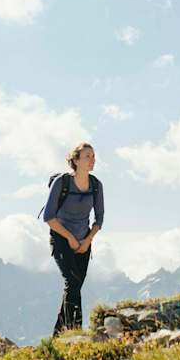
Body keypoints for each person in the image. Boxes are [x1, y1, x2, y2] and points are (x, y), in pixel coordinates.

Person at [42, 142, 104, 335]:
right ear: (75, 161)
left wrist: (87, 241)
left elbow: (99, 219)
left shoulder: (96, 185)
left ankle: (59, 335)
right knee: (73, 283)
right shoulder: (62, 183)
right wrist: (69, 238)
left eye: (93, 156)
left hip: (84, 242)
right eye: (87, 156)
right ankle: (75, 331)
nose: (92, 160)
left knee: (74, 287)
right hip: (61, 239)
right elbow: (48, 217)